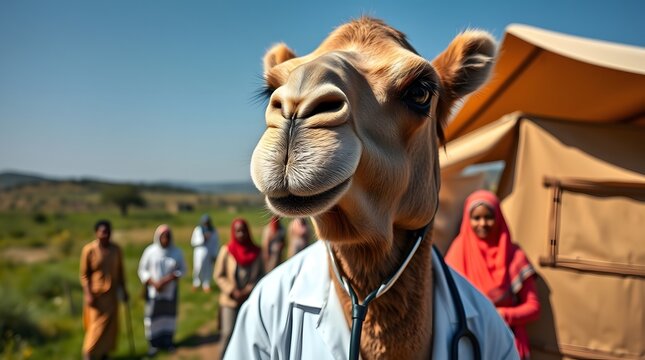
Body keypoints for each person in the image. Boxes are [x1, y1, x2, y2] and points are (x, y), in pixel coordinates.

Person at [445, 190, 540, 359]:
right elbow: (446, 302)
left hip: (507, 341)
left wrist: (501, 315)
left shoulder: (514, 256)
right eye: (476, 218)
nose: (482, 223)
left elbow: (533, 307)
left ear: (499, 218)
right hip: (469, 343)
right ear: (468, 220)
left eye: (489, 217)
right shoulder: (457, 254)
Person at [80, 219, 129, 360]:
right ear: (96, 233)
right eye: (102, 232)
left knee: (110, 329)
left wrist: (124, 290)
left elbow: (120, 272)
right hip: (96, 297)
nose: (105, 235)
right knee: (95, 328)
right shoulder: (89, 250)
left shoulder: (116, 250)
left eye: (107, 232)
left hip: (112, 296)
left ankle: (104, 354)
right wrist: (88, 294)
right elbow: (84, 275)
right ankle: (88, 354)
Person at [214, 218, 263, 356]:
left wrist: (249, 290)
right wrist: (231, 291)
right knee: (228, 332)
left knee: (247, 334)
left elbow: (261, 275)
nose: (241, 234)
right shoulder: (227, 251)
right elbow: (218, 275)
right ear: (233, 232)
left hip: (249, 301)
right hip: (230, 301)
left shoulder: (257, 252)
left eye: (243, 231)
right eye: (237, 231)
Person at [138, 224, 186, 357]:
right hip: (154, 291)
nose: (165, 239)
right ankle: (153, 343)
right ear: (158, 237)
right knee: (153, 316)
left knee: (169, 315)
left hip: (170, 291)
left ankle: (168, 341)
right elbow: (142, 270)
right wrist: (153, 283)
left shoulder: (177, 252)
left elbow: (183, 269)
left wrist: (168, 279)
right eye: (163, 236)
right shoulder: (150, 252)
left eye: (168, 236)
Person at [191, 214, 220, 292]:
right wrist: (203, 238)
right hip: (199, 251)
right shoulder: (198, 230)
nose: (206, 224)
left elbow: (216, 243)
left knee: (208, 269)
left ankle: (206, 284)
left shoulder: (213, 231)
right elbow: (193, 242)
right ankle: (196, 283)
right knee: (198, 268)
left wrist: (214, 253)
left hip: (209, 252)